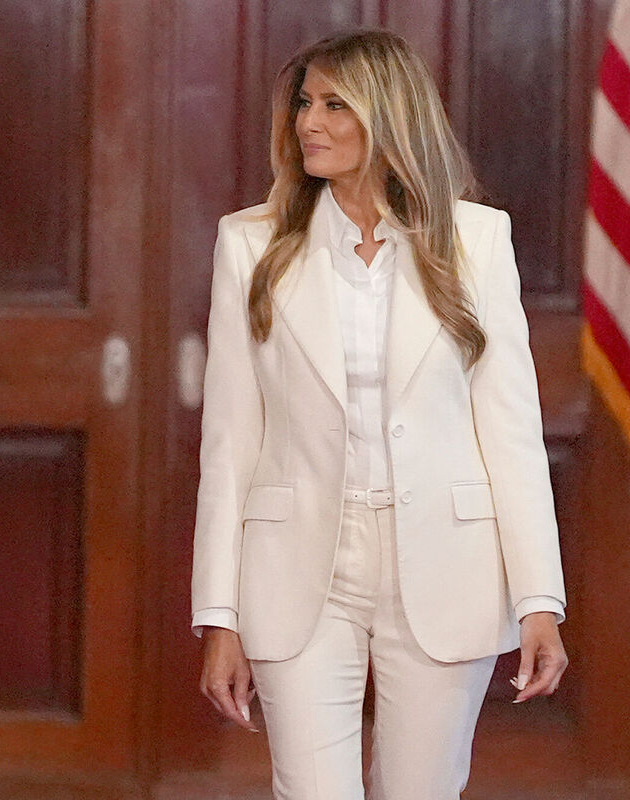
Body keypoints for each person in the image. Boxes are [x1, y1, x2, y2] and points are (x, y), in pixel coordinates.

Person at [191, 30, 568, 799]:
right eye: (304, 102)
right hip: (297, 566)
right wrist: (218, 616)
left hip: (446, 559)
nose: (308, 123)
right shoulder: (250, 244)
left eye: (334, 104)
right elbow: (229, 444)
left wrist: (539, 600)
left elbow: (511, 434)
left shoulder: (478, 241)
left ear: (388, 116)